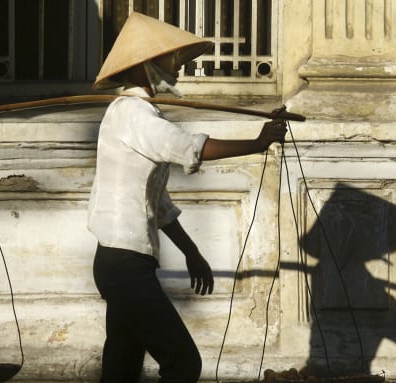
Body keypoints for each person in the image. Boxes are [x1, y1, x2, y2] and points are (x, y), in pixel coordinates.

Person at [87, 12, 288, 383]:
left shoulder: (136, 114)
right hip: (124, 265)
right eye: (170, 59)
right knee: (182, 363)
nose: (178, 66)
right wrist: (257, 143)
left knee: (122, 367)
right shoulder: (132, 113)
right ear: (145, 66)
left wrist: (191, 252)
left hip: (122, 262)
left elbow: (158, 204)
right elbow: (185, 147)